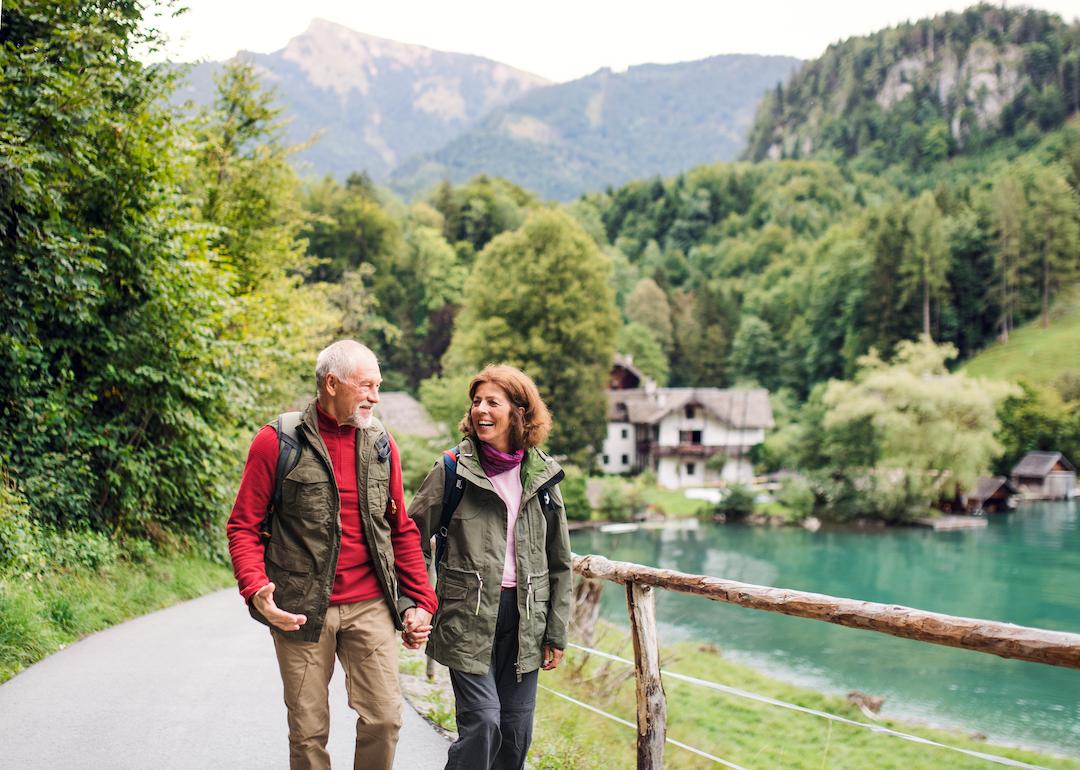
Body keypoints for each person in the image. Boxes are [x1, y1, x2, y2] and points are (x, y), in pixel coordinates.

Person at [227, 340, 437, 770]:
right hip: (300, 609)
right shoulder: (276, 442)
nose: (375, 397)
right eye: (366, 386)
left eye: (378, 386)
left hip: (370, 605)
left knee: (385, 720)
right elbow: (243, 526)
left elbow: (400, 528)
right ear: (331, 383)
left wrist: (420, 602)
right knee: (308, 733)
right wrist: (256, 589)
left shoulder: (381, 443)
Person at [410, 364, 573, 770]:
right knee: (484, 724)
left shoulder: (542, 475)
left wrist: (556, 631)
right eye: (477, 401)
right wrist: (418, 600)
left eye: (492, 402)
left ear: (519, 411)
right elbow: (410, 538)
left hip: (526, 623)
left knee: (515, 738)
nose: (481, 410)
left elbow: (560, 561)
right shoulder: (453, 469)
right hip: (467, 617)